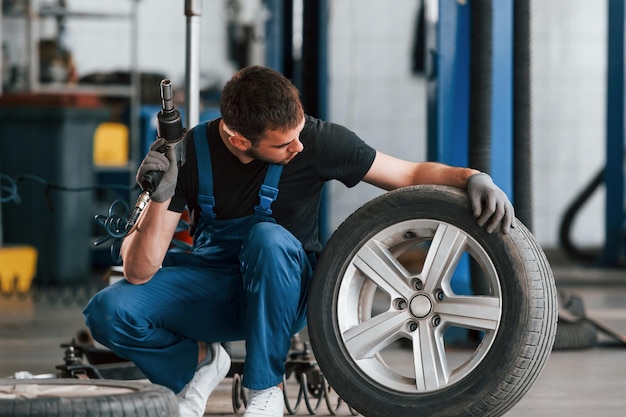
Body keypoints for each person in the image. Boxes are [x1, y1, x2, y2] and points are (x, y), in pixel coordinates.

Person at [84, 65, 514, 417]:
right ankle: (199, 364)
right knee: (109, 310)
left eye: (298, 132)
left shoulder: (317, 140)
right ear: (238, 139)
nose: (298, 146)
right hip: (216, 285)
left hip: (287, 289)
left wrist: (472, 177)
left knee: (268, 240)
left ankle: (265, 391)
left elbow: (408, 175)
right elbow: (140, 270)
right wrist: (161, 196)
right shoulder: (188, 152)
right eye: (283, 143)